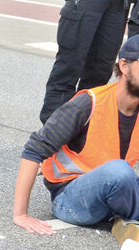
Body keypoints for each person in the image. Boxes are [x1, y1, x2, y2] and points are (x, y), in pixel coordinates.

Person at [13, 36, 139, 235]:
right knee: (120, 171)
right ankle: (132, 216)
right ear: (124, 65)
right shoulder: (90, 103)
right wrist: (21, 215)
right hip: (69, 198)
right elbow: (34, 148)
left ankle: (128, 216)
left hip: (111, 192)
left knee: (122, 174)